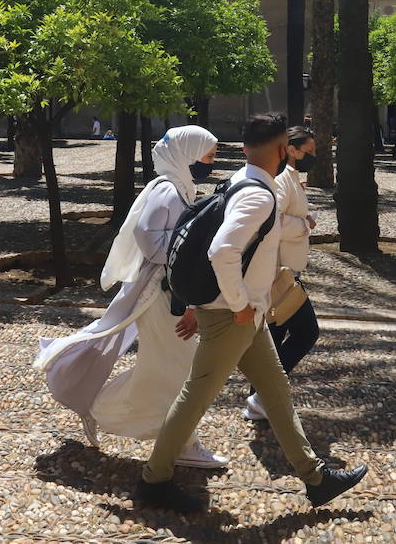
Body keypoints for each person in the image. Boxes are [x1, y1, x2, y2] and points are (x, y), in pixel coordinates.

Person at [134, 113, 368, 514]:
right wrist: (241, 305)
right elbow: (222, 251)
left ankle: (316, 479)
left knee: (276, 391)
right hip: (233, 316)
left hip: (246, 314)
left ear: (244, 148)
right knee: (194, 399)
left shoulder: (242, 178)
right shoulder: (259, 195)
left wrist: (246, 308)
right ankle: (154, 481)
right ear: (282, 151)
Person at [35, 126, 228, 469]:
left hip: (168, 291)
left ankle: (169, 435)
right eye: (209, 156)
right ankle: (178, 440)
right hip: (158, 295)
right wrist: (186, 248)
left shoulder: (179, 185)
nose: (212, 164)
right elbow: (146, 234)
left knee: (170, 369)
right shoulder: (169, 190)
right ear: (188, 154)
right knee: (178, 368)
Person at [245, 124, 320, 421]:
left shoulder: (290, 177)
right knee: (307, 331)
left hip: (284, 271)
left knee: (274, 338)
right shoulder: (280, 181)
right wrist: (305, 225)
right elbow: (272, 221)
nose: (313, 156)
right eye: (310, 151)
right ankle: (261, 395)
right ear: (292, 149)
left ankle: (259, 400)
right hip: (280, 274)